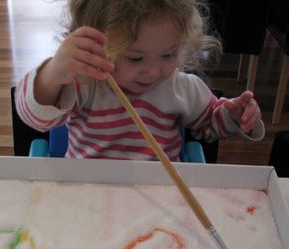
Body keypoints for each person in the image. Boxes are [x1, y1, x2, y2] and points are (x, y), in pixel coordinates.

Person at [15, 0, 264, 160]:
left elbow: (208, 124)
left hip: (161, 194)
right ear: (98, 46)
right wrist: (54, 72)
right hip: (88, 193)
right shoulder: (84, 84)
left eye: (168, 55)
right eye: (135, 58)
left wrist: (234, 116)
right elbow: (33, 117)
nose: (154, 72)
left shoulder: (182, 88)